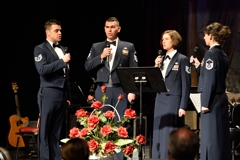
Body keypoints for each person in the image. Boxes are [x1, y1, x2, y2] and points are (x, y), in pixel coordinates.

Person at [84, 17, 138, 160]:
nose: (109, 29)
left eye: (112, 27)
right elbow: (87, 66)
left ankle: (120, 158)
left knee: (120, 126)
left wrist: (133, 90)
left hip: (120, 90)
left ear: (118, 29)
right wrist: (101, 56)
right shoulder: (97, 46)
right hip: (102, 90)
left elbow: (134, 70)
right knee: (101, 125)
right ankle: (103, 157)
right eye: (107, 27)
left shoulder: (128, 46)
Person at [190, 22, 232, 160]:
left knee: (211, 138)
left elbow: (210, 81)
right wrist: (198, 66)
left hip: (212, 100)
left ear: (211, 36)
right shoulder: (222, 54)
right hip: (220, 98)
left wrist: (205, 103)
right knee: (219, 136)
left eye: (205, 36)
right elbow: (212, 74)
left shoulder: (210, 54)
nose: (203, 38)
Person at [33, 19, 71, 160]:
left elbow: (66, 75)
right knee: (45, 130)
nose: (60, 33)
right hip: (49, 92)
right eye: (56, 30)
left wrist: (68, 96)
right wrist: (62, 61)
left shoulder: (61, 49)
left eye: (60, 30)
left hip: (61, 94)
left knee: (56, 131)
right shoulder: (40, 49)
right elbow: (42, 69)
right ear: (48, 32)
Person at [152, 30, 191, 159]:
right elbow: (154, 82)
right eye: (162, 39)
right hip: (160, 99)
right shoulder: (161, 59)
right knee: (158, 131)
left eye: (166, 39)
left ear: (174, 41)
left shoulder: (182, 59)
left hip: (173, 100)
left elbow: (186, 84)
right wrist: (155, 67)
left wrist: (183, 105)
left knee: (168, 132)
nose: (163, 42)